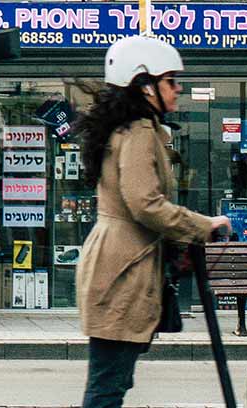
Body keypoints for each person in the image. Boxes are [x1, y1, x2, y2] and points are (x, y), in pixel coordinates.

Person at [74, 36, 231, 407]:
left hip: (117, 264)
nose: (178, 89)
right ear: (145, 86)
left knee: (111, 382)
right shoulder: (140, 132)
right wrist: (202, 225)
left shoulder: (128, 130)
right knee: (108, 386)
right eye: (170, 81)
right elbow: (145, 204)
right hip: (122, 270)